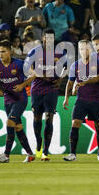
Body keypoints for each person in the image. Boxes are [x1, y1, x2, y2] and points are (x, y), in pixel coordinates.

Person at [0, 40, 35, 163]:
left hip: (20, 99)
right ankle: (30, 154)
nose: (0, 54)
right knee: (17, 127)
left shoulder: (19, 64)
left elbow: (33, 74)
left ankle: (6, 155)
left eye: (3, 51)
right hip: (7, 99)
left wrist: (23, 85)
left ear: (9, 52)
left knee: (10, 123)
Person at [24, 29, 65, 161]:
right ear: (42, 38)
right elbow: (26, 67)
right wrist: (39, 73)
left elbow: (66, 67)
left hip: (52, 89)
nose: (49, 40)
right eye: (47, 38)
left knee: (49, 118)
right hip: (37, 89)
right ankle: (38, 144)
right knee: (37, 119)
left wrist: (60, 79)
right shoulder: (35, 52)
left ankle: (46, 151)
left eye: (51, 38)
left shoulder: (59, 52)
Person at [63, 40, 99, 161]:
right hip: (81, 100)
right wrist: (66, 98)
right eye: (81, 49)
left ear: (91, 50)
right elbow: (70, 83)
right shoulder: (75, 65)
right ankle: (72, 154)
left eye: (86, 48)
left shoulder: (98, 63)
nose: (83, 51)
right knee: (75, 123)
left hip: (97, 99)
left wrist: (84, 82)